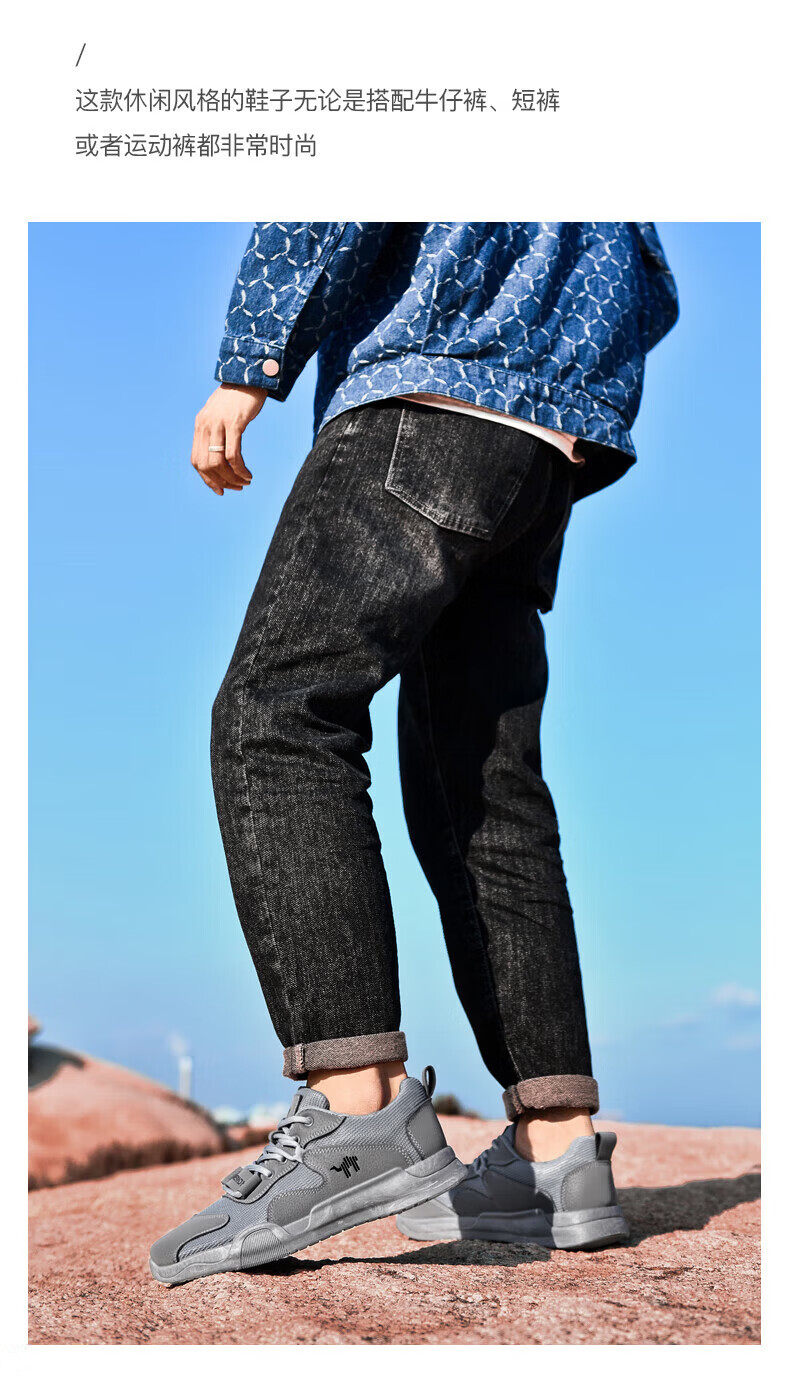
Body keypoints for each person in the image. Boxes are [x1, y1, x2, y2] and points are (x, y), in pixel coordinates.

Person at [150, 223, 678, 1284]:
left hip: (424, 396)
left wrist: (249, 365)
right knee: (481, 787)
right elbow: (648, 279)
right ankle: (557, 1149)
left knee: (278, 716)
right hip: (547, 444)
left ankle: (358, 1111)